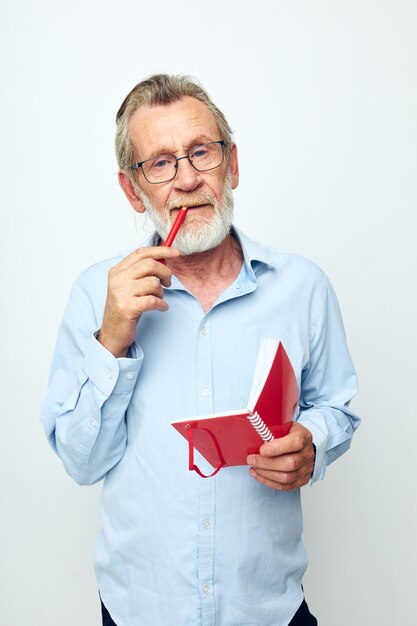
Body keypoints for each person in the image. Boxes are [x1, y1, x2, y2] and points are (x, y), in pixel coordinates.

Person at [40, 74, 360, 626]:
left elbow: (337, 407)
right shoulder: (97, 294)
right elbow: (81, 462)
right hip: (139, 609)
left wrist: (316, 442)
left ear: (231, 164)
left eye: (200, 152)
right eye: (160, 164)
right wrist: (112, 337)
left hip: (270, 610)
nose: (187, 179)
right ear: (132, 189)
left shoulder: (303, 286)